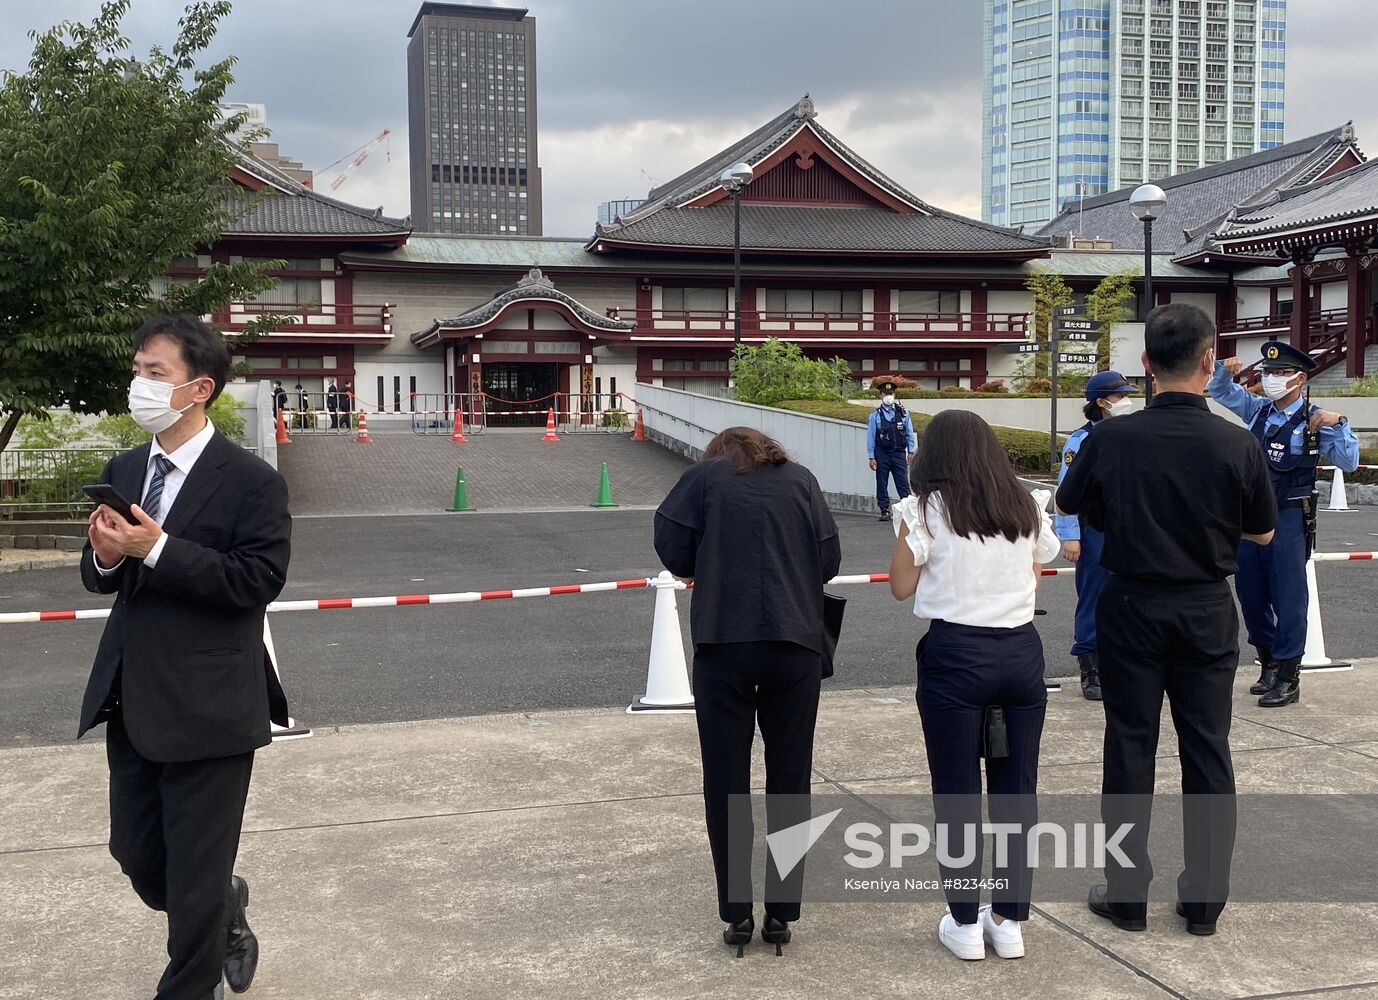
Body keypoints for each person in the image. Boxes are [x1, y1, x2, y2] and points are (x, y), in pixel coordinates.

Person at [80, 314, 293, 998]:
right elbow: (101, 572)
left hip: (212, 706)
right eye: (136, 370)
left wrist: (160, 550)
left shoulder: (251, 481)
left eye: (154, 373)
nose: (137, 384)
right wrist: (107, 558)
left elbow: (256, 581)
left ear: (198, 388)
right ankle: (224, 906)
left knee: (192, 880)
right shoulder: (125, 469)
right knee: (140, 860)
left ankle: (192, 972)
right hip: (134, 697)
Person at [1056, 303, 1275, 937]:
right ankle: (1204, 901)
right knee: (1207, 749)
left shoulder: (1109, 436)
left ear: (1146, 365)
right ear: (1210, 363)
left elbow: (1073, 504)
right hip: (1206, 603)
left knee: (1130, 743)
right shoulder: (1237, 439)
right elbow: (1262, 530)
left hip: (1129, 602)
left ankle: (1127, 895)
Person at [654, 427, 841, 957]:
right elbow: (829, 560)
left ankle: (736, 913)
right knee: (790, 775)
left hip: (724, 641)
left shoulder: (703, 480)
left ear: (722, 454)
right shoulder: (801, 481)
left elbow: (673, 549)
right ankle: (782, 914)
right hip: (795, 641)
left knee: (727, 779)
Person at [888, 410, 1060, 962]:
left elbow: (899, 587)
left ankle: (964, 923)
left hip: (955, 655)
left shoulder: (921, 510)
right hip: (1020, 652)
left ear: (932, 454)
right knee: (1017, 788)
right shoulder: (1025, 504)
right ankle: (1009, 921)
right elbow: (1037, 571)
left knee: (957, 791)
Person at [1208, 341, 1359, 707]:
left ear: (1300, 379)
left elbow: (1350, 462)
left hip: (1289, 516)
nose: (1271, 379)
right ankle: (1269, 661)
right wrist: (1222, 371)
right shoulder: (1258, 410)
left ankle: (1290, 675)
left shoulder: (1314, 419)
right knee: (1251, 592)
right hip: (1249, 518)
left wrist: (1338, 424)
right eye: (1267, 373)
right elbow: (1220, 392)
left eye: (1279, 373)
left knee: (1289, 597)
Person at [1055, 370, 1140, 700]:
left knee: (1128, 598)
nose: (1126, 402)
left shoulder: (1132, 435)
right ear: (1102, 402)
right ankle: (1090, 668)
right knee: (1093, 597)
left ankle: (1119, 665)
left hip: (1128, 532)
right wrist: (1070, 535)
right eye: (1120, 397)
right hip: (1095, 531)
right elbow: (1067, 492)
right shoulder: (1080, 441)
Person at [866, 378, 917, 522]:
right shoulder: (875, 415)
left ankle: (907, 509)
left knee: (902, 482)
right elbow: (870, 437)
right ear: (880, 396)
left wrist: (911, 451)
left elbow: (909, 432)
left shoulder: (903, 412)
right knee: (881, 482)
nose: (889, 396)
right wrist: (871, 457)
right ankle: (884, 510)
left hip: (899, 453)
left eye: (891, 393)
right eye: (886, 393)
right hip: (882, 453)